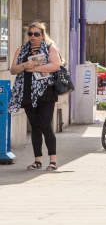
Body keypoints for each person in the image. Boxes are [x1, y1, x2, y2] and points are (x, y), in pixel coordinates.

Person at [8, 22, 63, 172]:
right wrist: (26, 65)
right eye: (30, 34)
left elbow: (56, 65)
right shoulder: (22, 49)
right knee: (35, 127)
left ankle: (52, 160)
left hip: (45, 92)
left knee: (45, 124)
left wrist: (36, 68)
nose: (33, 37)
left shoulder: (50, 47)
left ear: (42, 34)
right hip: (26, 92)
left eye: (36, 34)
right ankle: (37, 160)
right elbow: (13, 70)